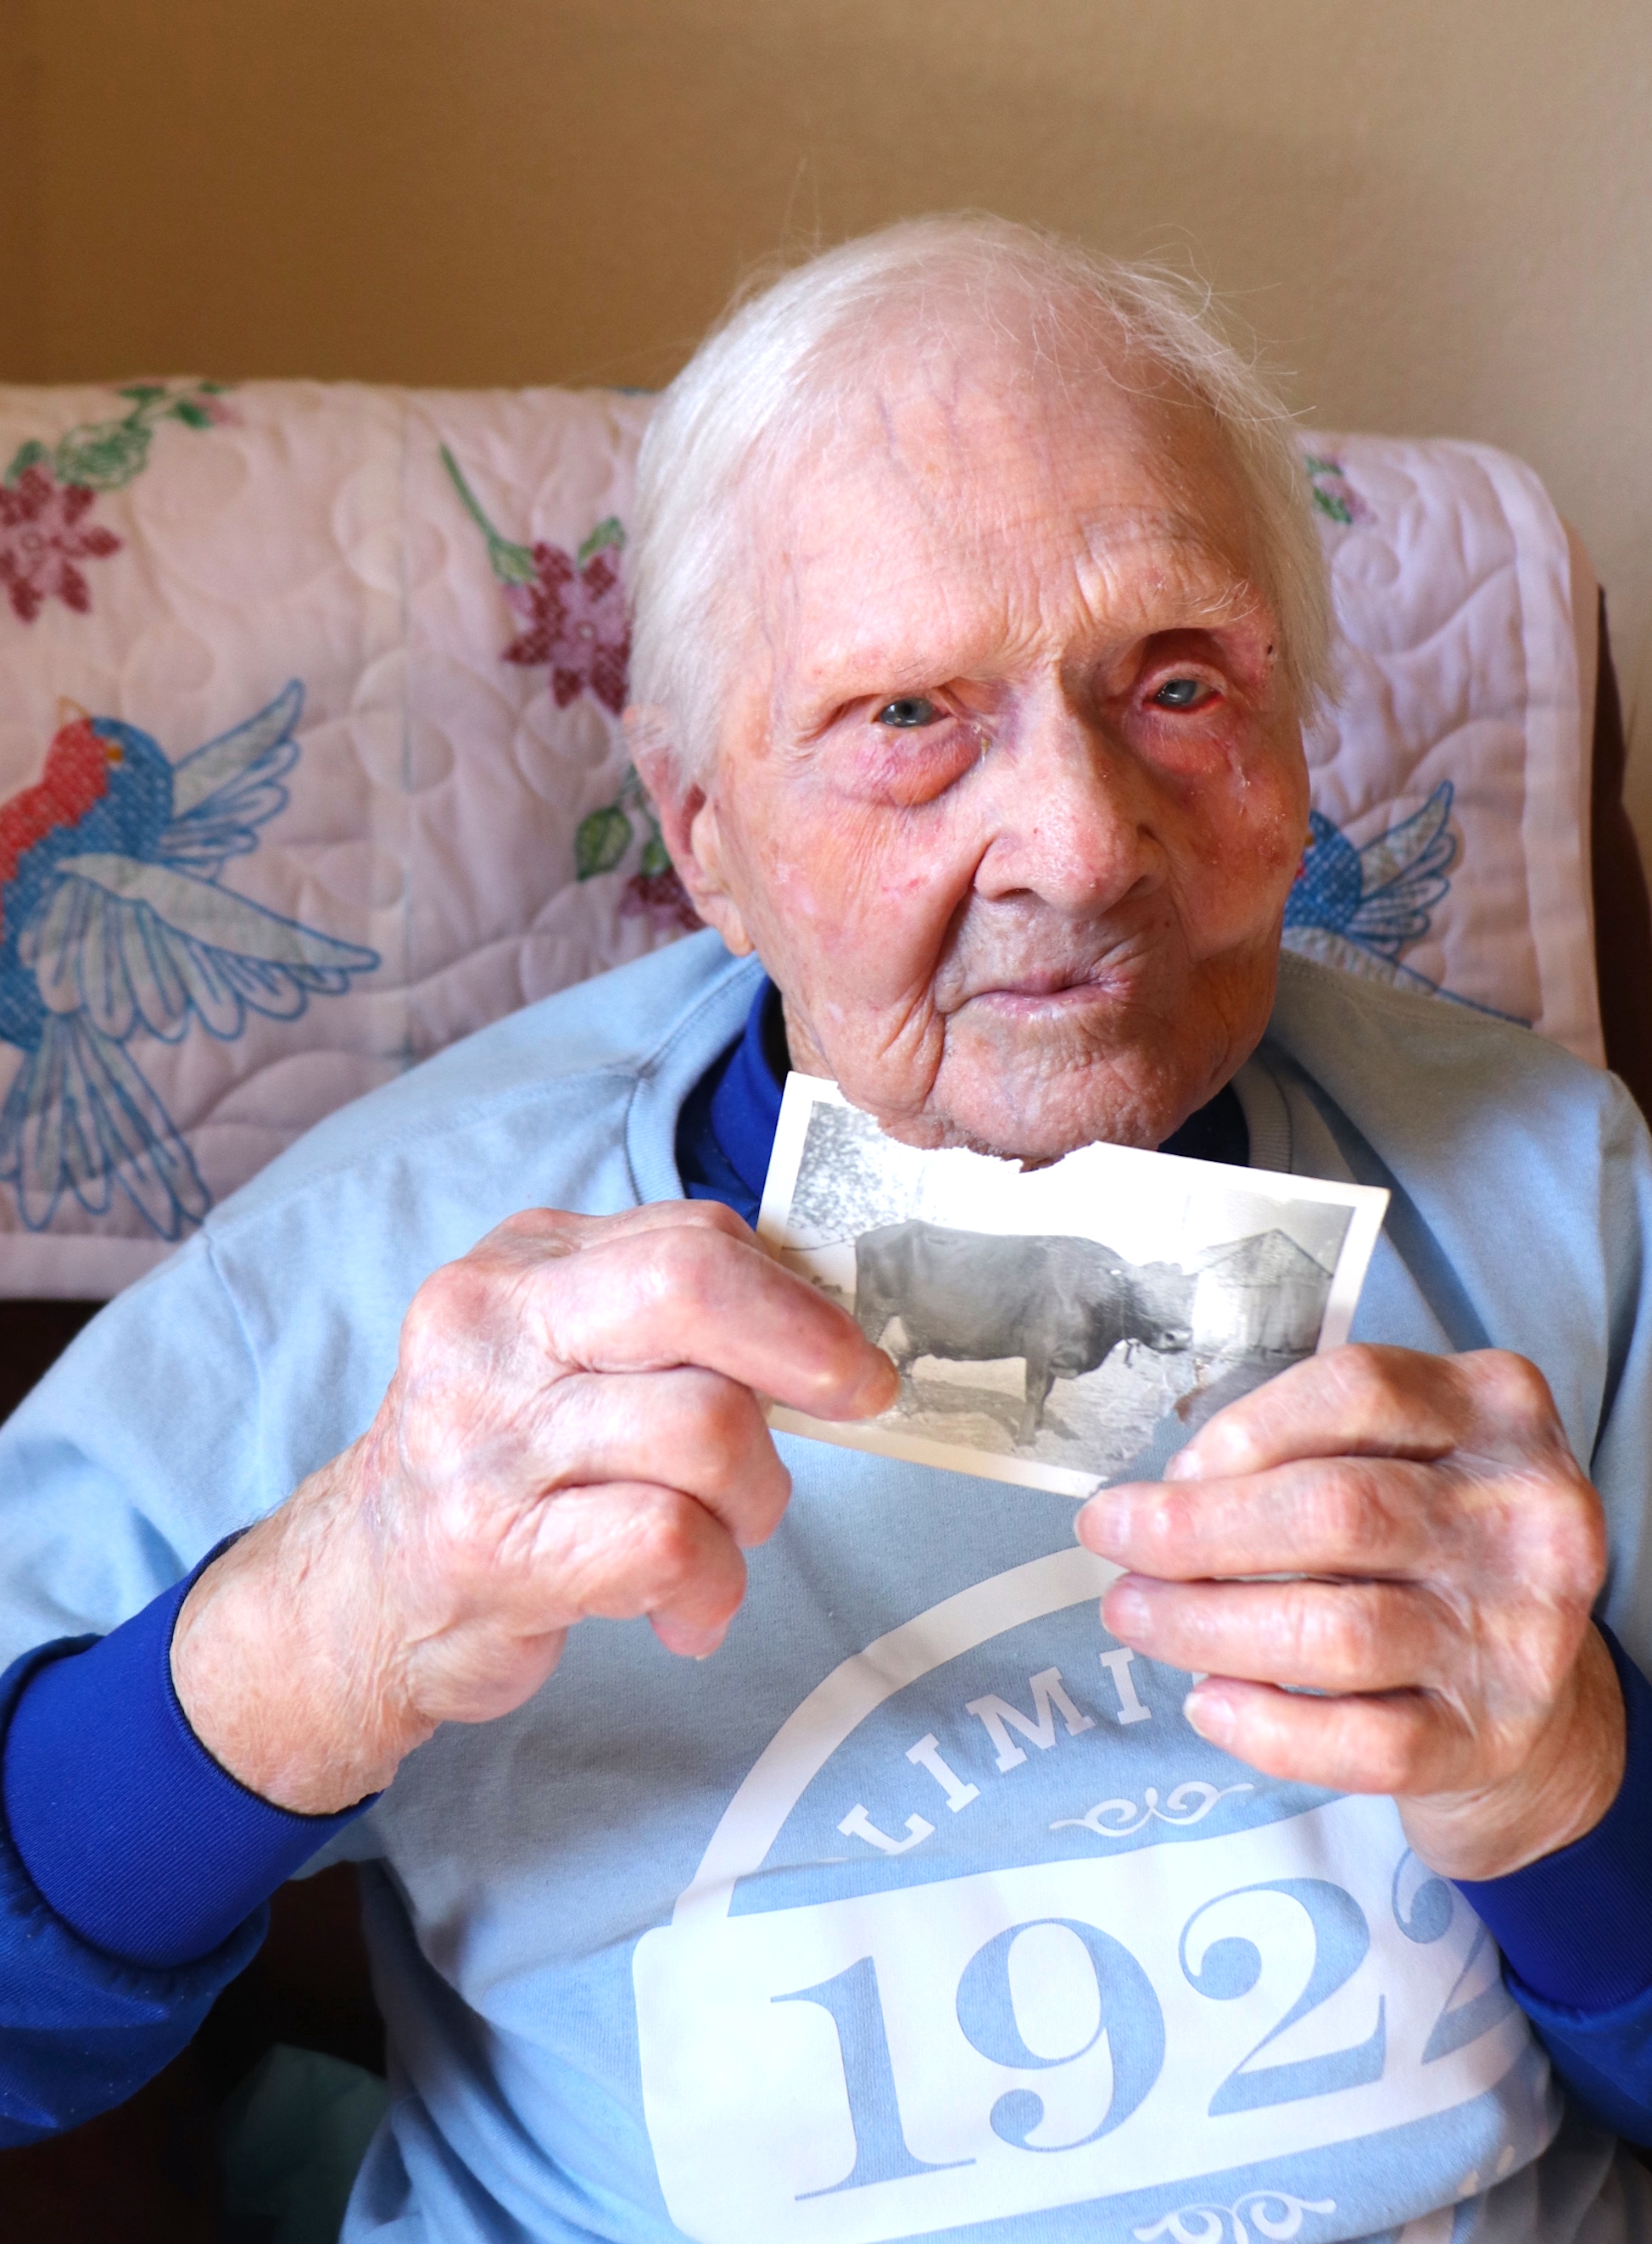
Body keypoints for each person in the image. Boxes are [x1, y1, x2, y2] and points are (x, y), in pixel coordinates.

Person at [3, 216, 1651, 2244]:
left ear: (1296, 741)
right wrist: (305, 1638)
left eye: (1173, 683)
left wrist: (1564, 1785)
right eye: (904, 718)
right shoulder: (377, 1274)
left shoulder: (1560, 1197)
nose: (1071, 842)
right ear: (702, 833)